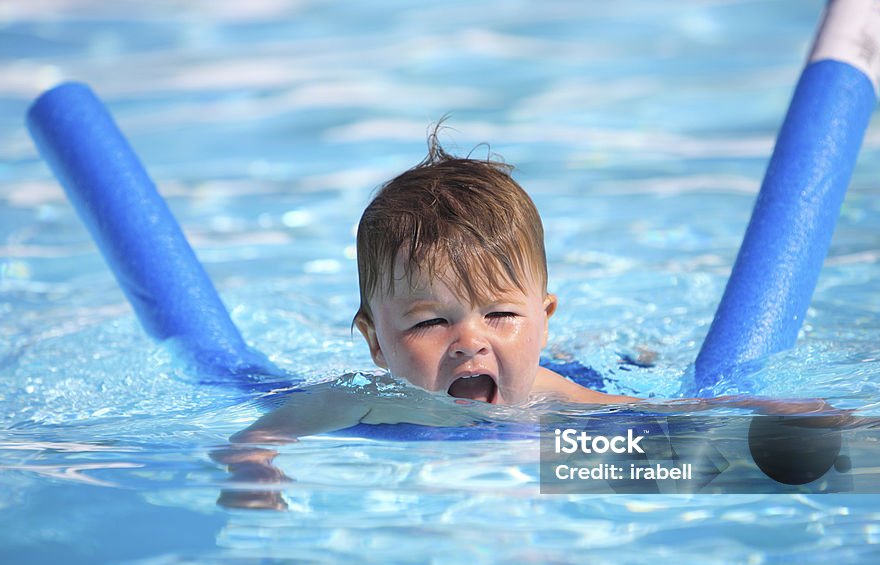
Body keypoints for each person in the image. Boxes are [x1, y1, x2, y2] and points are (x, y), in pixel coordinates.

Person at [213, 131, 840, 508]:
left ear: (542, 321)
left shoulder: (545, 390)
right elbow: (252, 440)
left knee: (628, 371)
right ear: (376, 343)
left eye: (502, 314)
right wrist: (254, 474)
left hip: (582, 380)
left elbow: (651, 414)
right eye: (430, 323)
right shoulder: (358, 400)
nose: (469, 342)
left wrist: (757, 410)